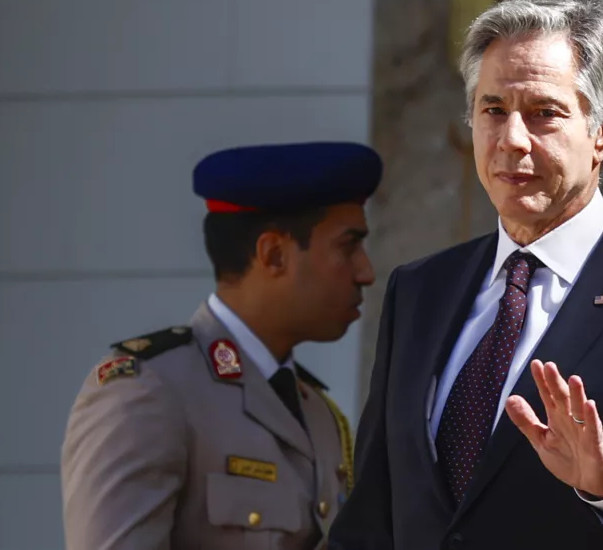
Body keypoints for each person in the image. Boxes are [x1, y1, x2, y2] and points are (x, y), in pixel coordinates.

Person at [328, 0, 603, 550]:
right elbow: (372, 517)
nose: (512, 139)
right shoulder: (420, 290)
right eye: (493, 110)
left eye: (543, 113)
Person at [60, 142, 381, 550]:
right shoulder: (149, 391)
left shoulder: (317, 411)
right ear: (274, 254)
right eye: (348, 246)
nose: (365, 273)